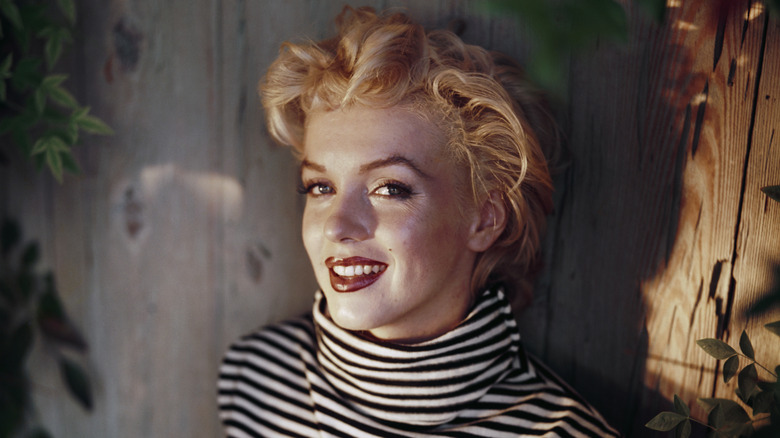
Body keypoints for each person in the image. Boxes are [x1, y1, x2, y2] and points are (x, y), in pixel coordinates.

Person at [218, 6, 618, 437]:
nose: (336, 226)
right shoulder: (253, 380)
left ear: (486, 219)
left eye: (389, 188)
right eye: (320, 187)